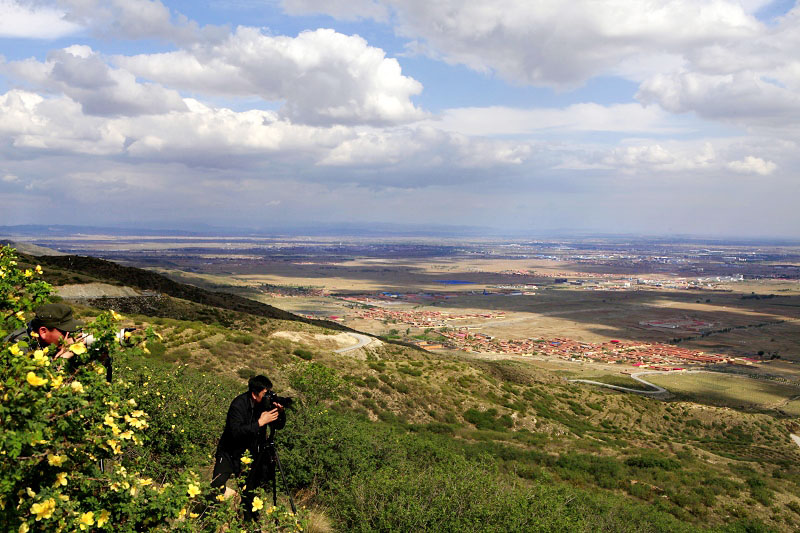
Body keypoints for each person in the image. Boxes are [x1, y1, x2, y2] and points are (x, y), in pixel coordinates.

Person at [212, 375, 285, 520]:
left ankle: (250, 524)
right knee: (217, 485)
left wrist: (280, 413)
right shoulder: (238, 405)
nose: (267, 396)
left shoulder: (265, 404)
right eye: (265, 393)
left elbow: (279, 425)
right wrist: (259, 423)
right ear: (254, 393)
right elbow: (235, 432)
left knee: (249, 494)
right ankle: (211, 517)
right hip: (229, 451)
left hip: (249, 455)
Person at [4, 302, 83, 358]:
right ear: (43, 332)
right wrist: (63, 358)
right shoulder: (17, 348)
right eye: (64, 331)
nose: (68, 336)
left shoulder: (39, 338)